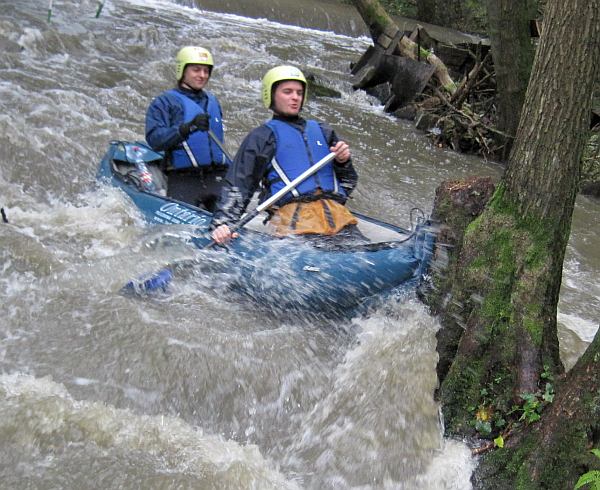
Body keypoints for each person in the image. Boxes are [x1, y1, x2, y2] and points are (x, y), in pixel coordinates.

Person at [211, 65, 362, 245]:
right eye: (287, 92)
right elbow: (239, 183)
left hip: (337, 217)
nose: (295, 97)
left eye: (299, 92)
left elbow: (348, 184)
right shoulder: (262, 137)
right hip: (294, 221)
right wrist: (224, 223)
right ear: (272, 95)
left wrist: (343, 162)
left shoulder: (323, 131)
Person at [145, 46, 229, 212]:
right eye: (196, 70)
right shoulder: (164, 102)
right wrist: (187, 128)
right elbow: (155, 140)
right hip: (184, 179)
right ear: (182, 71)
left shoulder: (212, 101)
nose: (202, 75)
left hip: (216, 177)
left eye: (206, 71)